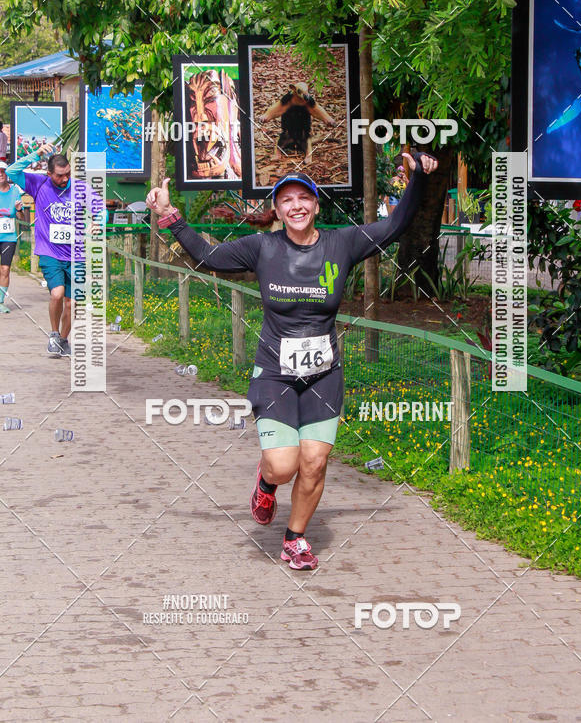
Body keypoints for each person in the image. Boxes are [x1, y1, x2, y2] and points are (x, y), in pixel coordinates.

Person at [146, 150, 438, 570]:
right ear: (277, 210)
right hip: (275, 373)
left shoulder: (343, 243)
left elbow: (395, 225)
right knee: (284, 466)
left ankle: (295, 538)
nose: (296, 206)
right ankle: (266, 483)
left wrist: (419, 181)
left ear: (316, 205)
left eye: (304, 199)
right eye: (286, 200)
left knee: (315, 463)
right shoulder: (262, 247)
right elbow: (208, 258)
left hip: (324, 374)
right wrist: (170, 215)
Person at [6, 144, 104, 356]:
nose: (65, 179)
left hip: (76, 255)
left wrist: (98, 222)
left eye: (68, 173)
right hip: (49, 252)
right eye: (60, 175)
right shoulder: (38, 184)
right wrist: (37, 154)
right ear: (49, 173)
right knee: (57, 294)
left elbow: (101, 209)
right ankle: (53, 333)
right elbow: (11, 172)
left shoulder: (80, 188)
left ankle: (63, 339)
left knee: (73, 303)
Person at [0, 161, 24, 313]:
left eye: (2, 171)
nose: (0, 174)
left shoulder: (15, 191)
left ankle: (0, 301)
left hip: (8, 237)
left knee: (5, 269)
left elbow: (23, 218)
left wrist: (20, 210)